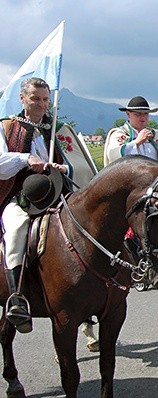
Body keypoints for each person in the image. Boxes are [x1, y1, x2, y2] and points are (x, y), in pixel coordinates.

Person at [0, 77, 70, 334]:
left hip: (56, 195)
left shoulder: (55, 131)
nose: (41, 104)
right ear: (22, 99)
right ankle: (16, 297)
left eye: (45, 100)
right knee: (17, 228)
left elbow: (76, 163)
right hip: (20, 197)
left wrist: (64, 167)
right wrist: (24, 158)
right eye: (35, 99)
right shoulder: (7, 126)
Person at [103, 96, 158, 168]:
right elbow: (113, 156)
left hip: (155, 177)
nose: (143, 117)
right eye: (138, 114)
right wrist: (137, 142)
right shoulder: (119, 134)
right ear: (128, 114)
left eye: (146, 114)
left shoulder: (155, 134)